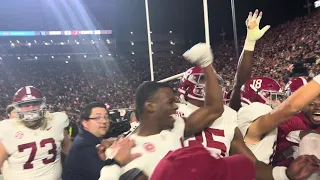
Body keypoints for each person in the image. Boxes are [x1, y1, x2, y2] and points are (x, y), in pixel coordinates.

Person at [179, 10, 320, 180]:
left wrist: (285, 175)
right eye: (270, 96)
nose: (275, 101)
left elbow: (253, 165)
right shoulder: (251, 113)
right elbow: (242, 87)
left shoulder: (230, 116)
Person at [102, 42, 224, 179]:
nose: (176, 106)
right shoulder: (125, 151)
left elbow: (214, 109)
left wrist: (206, 64)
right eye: (170, 102)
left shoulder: (176, 125)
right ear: (150, 106)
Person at [0, 86, 71, 180]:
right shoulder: (8, 129)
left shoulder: (56, 122)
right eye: (26, 105)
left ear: (42, 104)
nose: (31, 108)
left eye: (35, 103)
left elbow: (69, 149)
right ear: (18, 107)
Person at [63, 102, 110, 180]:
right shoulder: (83, 146)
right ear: (85, 123)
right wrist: (118, 159)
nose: (104, 121)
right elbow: (105, 176)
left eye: (106, 117)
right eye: (97, 118)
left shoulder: (87, 138)